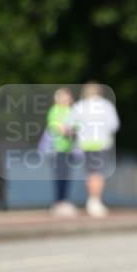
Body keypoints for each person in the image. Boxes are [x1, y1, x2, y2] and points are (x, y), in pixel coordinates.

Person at [69, 83, 120, 217]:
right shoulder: (106, 106)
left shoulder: (79, 106)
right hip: (102, 143)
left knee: (90, 173)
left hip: (85, 143)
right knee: (98, 173)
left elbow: (70, 125)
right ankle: (95, 201)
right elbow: (114, 125)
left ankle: (93, 200)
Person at [46, 87, 77, 217]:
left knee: (66, 175)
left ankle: (64, 201)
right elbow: (55, 126)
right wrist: (67, 130)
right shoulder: (55, 110)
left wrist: (72, 130)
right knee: (60, 175)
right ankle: (59, 202)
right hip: (57, 148)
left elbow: (77, 126)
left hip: (68, 148)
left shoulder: (72, 110)